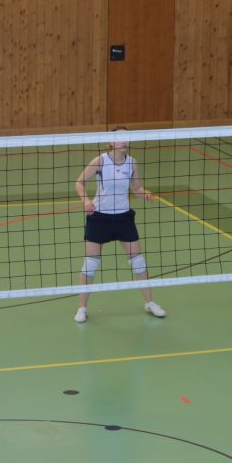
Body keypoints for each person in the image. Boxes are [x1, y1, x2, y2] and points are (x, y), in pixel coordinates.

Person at [73, 129, 165, 323]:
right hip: (99, 218)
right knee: (90, 265)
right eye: (120, 138)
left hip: (124, 218)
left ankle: (150, 303)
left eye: (127, 138)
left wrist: (145, 194)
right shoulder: (100, 161)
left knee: (138, 262)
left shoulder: (132, 162)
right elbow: (79, 182)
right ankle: (82, 308)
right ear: (111, 143)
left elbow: (136, 187)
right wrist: (86, 201)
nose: (125, 141)